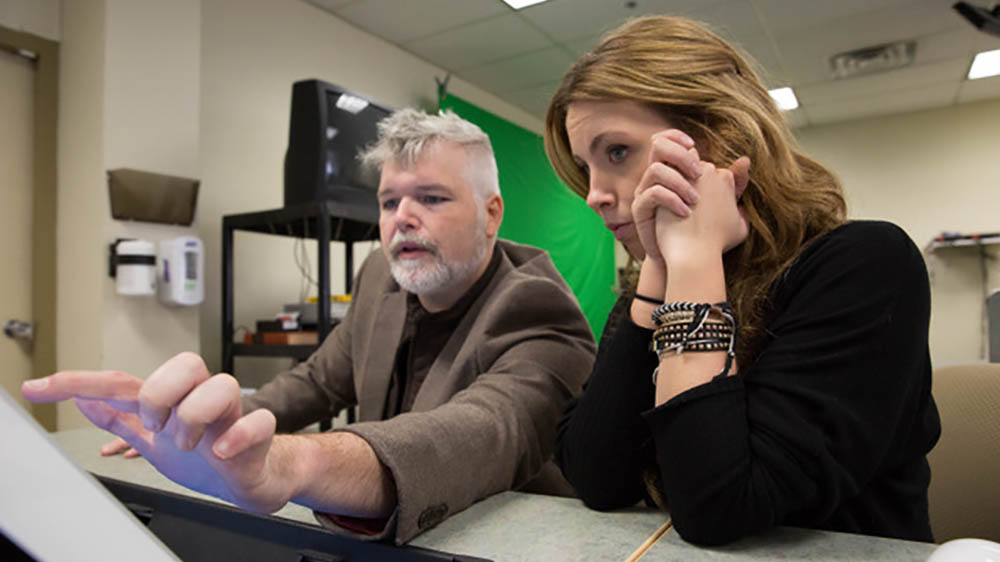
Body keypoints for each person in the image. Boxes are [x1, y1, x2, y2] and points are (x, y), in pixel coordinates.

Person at [22, 108, 596, 544]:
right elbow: (320, 380)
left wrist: (291, 462)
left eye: (432, 198)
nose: (403, 219)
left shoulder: (537, 307)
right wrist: (213, 429)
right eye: (390, 201)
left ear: (491, 213)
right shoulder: (381, 276)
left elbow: (476, 434)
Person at [544, 15, 940, 546]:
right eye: (585, 167)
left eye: (617, 152)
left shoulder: (866, 264)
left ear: (718, 137)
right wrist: (663, 267)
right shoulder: (660, 282)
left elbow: (721, 507)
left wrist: (694, 255)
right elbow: (596, 477)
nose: (594, 194)